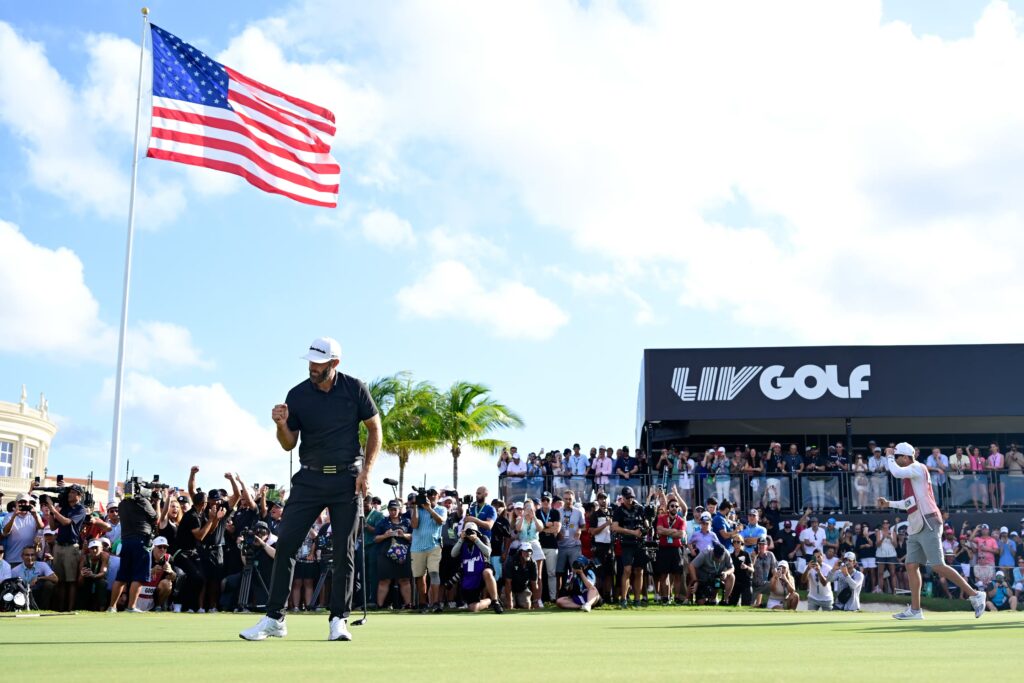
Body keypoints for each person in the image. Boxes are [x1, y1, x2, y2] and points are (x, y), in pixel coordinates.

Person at [241, 336, 382, 643]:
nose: (312, 368)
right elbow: (289, 443)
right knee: (287, 544)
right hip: (308, 479)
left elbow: (375, 429)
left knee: (343, 550)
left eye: (319, 363)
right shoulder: (297, 394)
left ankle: (338, 620)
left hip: (347, 478)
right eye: (310, 362)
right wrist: (280, 425)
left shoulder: (354, 388)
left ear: (334, 363)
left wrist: (367, 472)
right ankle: (275, 618)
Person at [879, 442, 987, 620]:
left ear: (906, 457)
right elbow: (908, 504)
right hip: (915, 525)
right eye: (895, 457)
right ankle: (915, 610)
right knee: (911, 565)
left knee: (937, 565)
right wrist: (889, 503)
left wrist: (889, 455)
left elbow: (896, 472)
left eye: (898, 457)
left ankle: (975, 595)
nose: (896, 460)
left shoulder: (916, 467)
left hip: (928, 521)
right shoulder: (911, 477)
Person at [108, 482, 159, 613]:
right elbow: (155, 517)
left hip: (126, 542)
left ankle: (112, 607)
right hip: (141, 541)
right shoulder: (142, 501)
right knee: (139, 576)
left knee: (122, 576)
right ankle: (131, 607)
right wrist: (156, 502)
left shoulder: (122, 504)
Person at [43, 484, 88, 611]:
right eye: (69, 492)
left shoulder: (81, 509)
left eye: (73, 492)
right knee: (60, 580)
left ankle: (70, 609)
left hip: (71, 547)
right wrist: (52, 512)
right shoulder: (65, 508)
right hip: (59, 546)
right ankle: (60, 608)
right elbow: (52, 527)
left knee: (71, 581)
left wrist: (53, 508)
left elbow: (66, 522)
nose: (69, 494)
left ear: (79, 495)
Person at [451, 522, 502, 613]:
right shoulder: (462, 541)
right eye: (468, 532)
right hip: (469, 575)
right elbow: (453, 554)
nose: (470, 534)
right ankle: (489, 601)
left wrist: (476, 540)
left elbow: (488, 552)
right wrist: (461, 539)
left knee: (487, 572)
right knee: (473, 608)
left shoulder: (483, 538)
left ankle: (496, 601)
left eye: (473, 532)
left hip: (482, 570)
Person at [410, 487, 447, 613]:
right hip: (417, 547)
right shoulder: (418, 509)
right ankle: (423, 603)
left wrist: (429, 508)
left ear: (438, 496)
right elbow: (414, 525)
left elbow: (441, 521)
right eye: (429, 494)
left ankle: (436, 603)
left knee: (434, 573)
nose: (431, 496)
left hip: (434, 546)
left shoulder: (442, 509)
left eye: (434, 494)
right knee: (420, 576)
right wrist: (415, 506)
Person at [611, 486, 645, 608]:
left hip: (639, 543)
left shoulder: (640, 508)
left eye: (631, 497)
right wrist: (632, 532)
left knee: (639, 571)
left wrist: (643, 528)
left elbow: (646, 523)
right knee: (627, 570)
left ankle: (637, 600)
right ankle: (623, 599)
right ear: (623, 498)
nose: (630, 499)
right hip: (626, 543)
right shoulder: (619, 511)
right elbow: (614, 527)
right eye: (627, 497)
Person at [374, 500, 412, 609]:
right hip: (385, 555)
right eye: (391, 509)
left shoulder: (407, 522)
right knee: (384, 580)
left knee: (404, 580)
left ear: (399, 510)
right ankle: (380, 606)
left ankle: (408, 605)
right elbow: (376, 539)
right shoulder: (383, 522)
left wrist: (403, 535)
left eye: (395, 509)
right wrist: (385, 535)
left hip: (403, 555)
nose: (393, 511)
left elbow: (414, 537)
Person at [503, 541, 538, 609]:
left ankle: (518, 601)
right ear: (520, 552)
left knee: (527, 606)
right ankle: (513, 601)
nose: (528, 553)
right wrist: (510, 602)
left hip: (523, 589)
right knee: (510, 605)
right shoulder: (510, 561)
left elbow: (534, 583)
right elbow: (508, 582)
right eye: (525, 551)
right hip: (510, 588)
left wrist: (535, 601)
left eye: (529, 551)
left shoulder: (533, 563)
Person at [78, 539, 110, 611]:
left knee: (102, 583)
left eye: (96, 548)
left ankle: (102, 610)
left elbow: (103, 572)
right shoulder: (84, 558)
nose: (94, 550)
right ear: (89, 549)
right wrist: (82, 575)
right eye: (92, 548)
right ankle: (81, 608)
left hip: (98, 577)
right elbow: (79, 581)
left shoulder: (105, 556)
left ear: (101, 549)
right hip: (87, 578)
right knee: (82, 586)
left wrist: (93, 575)